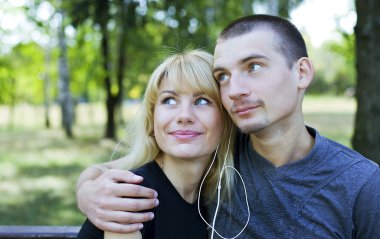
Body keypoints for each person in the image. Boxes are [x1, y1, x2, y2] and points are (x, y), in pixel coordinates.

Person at [76, 14, 380, 238]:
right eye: (223, 76)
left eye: (254, 67)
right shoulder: (217, 156)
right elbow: (122, 170)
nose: (235, 90)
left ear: (301, 72)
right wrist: (88, 190)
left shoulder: (361, 184)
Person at [76, 49, 236, 238]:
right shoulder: (130, 198)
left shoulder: (206, 198)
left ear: (226, 117)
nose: (184, 116)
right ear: (153, 121)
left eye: (202, 100)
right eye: (169, 100)